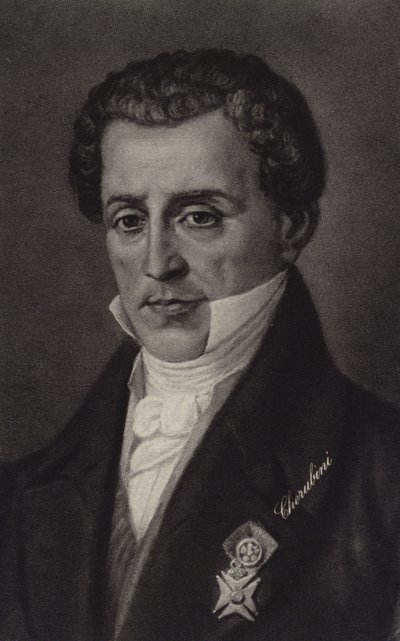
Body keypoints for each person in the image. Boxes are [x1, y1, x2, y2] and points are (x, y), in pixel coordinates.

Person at [1, 48, 399, 641]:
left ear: (292, 226)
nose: (157, 264)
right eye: (130, 220)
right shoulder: (18, 495)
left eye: (199, 217)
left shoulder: (383, 478)